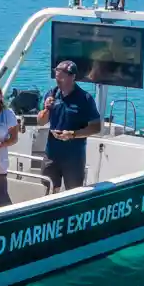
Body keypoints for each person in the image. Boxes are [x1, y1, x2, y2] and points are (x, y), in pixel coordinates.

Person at [37, 59, 102, 191]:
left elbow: (96, 127)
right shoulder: (51, 94)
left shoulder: (85, 99)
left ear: (72, 77)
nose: (58, 81)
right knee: (47, 189)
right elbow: (40, 121)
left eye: (61, 78)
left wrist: (73, 134)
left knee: (73, 192)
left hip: (74, 157)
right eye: (56, 77)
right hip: (52, 154)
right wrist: (46, 109)